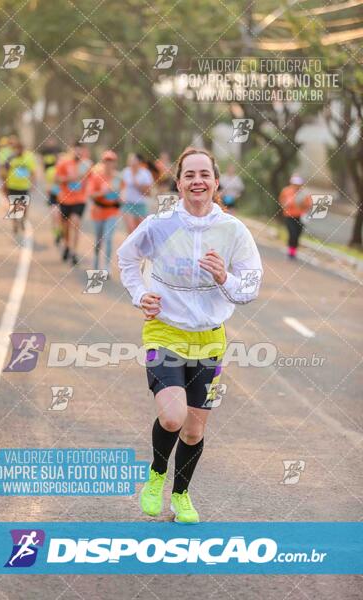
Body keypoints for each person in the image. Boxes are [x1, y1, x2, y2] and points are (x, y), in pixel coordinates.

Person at [117, 147, 262, 523]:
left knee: (194, 431)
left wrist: (223, 277)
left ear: (215, 182)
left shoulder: (233, 231)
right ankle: (156, 474)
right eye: (189, 175)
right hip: (164, 332)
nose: (197, 181)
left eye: (205, 175)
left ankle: (181, 495)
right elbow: (126, 258)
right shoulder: (160, 225)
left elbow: (250, 286)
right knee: (172, 417)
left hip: (210, 340)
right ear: (179, 183)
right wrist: (139, 294)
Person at [55, 142, 93, 265]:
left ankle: (74, 252)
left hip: (80, 199)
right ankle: (67, 245)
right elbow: (57, 179)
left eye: (80, 151)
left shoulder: (86, 164)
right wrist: (70, 179)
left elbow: (93, 179)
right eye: (76, 151)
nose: (78, 153)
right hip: (65, 199)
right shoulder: (64, 163)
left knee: (75, 223)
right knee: (65, 226)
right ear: (72, 151)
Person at [88, 150, 121, 274]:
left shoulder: (118, 178)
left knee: (108, 238)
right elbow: (91, 195)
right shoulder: (96, 177)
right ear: (103, 163)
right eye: (106, 161)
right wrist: (104, 192)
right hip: (98, 211)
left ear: (115, 163)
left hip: (112, 211)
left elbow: (123, 195)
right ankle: (96, 262)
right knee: (98, 240)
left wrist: (119, 197)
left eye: (111, 161)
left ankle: (106, 266)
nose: (109, 164)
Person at [3, 139, 37, 237]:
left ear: (23, 149)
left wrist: (33, 183)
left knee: (24, 206)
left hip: (24, 186)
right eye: (16, 149)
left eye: (20, 149)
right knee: (13, 206)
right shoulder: (10, 158)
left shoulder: (28, 157)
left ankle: (23, 219)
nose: (18, 151)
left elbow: (33, 172)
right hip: (12, 185)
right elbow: (4, 171)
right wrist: (4, 184)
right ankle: (15, 224)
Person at [279, 175, 312, 259]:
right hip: (289, 216)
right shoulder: (286, 191)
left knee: (297, 235)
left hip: (300, 217)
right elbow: (281, 201)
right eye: (295, 184)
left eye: (298, 184)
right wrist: (286, 204)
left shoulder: (304, 193)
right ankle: (291, 252)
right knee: (292, 234)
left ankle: (294, 251)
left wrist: (301, 204)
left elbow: (309, 205)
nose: (296, 186)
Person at [121, 153, 154, 234]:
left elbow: (149, 193)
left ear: (139, 162)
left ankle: (138, 246)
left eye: (133, 160)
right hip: (128, 204)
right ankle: (131, 246)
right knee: (131, 230)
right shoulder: (126, 171)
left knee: (139, 232)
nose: (131, 162)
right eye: (129, 160)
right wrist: (121, 196)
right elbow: (122, 186)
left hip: (140, 205)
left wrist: (137, 185)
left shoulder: (145, 173)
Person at [44, 155, 62, 245]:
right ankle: (56, 233)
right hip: (53, 196)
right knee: (54, 215)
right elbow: (47, 184)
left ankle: (61, 231)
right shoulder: (50, 170)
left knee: (61, 217)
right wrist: (48, 195)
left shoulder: (66, 171)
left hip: (64, 197)